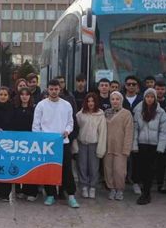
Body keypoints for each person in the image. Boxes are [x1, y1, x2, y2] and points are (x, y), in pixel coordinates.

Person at [32, 79, 78, 208]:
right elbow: (36, 126)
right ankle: (50, 195)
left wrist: (67, 131)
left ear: (60, 89)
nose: (53, 92)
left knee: (67, 170)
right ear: (47, 89)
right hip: (47, 144)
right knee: (48, 169)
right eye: (51, 89)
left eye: (56, 89)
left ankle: (71, 195)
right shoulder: (41, 105)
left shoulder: (67, 105)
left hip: (63, 142)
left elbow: (71, 123)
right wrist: (41, 139)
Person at [132, 88, 166, 205]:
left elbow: (163, 131)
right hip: (141, 145)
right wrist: (134, 145)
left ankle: (146, 194)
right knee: (142, 170)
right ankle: (144, 192)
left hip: (154, 145)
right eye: (147, 97)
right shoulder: (138, 110)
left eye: (152, 97)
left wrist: (161, 147)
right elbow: (135, 129)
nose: (149, 99)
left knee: (150, 171)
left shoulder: (160, 112)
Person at [76, 93, 107, 199]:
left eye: (92, 101)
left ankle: (92, 187)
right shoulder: (80, 114)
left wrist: (101, 148)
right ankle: (84, 187)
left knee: (94, 167)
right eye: (89, 101)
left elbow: (103, 132)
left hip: (94, 144)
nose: (90, 103)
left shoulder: (100, 115)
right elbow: (77, 129)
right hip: (82, 143)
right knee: (82, 166)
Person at [104, 91, 134, 201]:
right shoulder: (106, 113)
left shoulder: (126, 114)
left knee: (119, 170)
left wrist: (127, 148)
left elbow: (129, 132)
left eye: (117, 99)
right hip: (108, 146)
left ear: (121, 100)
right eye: (113, 99)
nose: (115, 101)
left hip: (120, 147)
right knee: (108, 169)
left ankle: (120, 190)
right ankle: (111, 189)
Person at [10, 87, 37, 201]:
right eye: (22, 94)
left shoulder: (34, 109)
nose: (24, 96)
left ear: (30, 96)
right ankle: (19, 190)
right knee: (18, 165)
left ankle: (30, 191)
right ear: (19, 96)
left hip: (31, 143)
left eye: (27, 94)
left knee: (30, 166)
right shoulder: (15, 109)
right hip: (17, 143)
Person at [0, 87, 14, 201]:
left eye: (5, 94)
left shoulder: (12, 108)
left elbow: (14, 123)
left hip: (8, 142)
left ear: (8, 96)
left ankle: (5, 193)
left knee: (6, 165)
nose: (3, 96)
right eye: (1, 94)